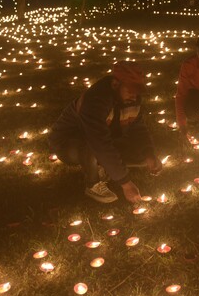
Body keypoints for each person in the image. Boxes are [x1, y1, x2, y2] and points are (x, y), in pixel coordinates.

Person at [48, 61, 162, 204]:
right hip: (69, 143)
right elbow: (99, 142)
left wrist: (149, 153)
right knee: (92, 145)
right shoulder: (95, 100)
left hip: (104, 139)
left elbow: (138, 128)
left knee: (141, 158)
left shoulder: (132, 98)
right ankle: (92, 183)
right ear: (115, 84)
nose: (134, 96)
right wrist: (126, 183)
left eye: (137, 91)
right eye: (130, 90)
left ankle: (104, 166)